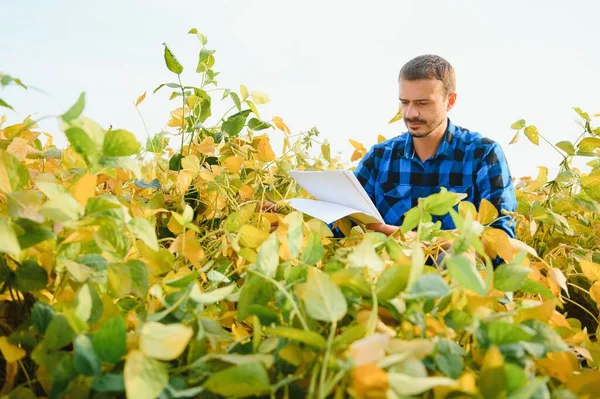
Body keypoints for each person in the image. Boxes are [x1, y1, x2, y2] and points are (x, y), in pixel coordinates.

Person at [352, 54, 517, 241]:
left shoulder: (483, 155)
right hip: (387, 269)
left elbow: (500, 237)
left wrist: (403, 236)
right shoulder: (379, 158)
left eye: (423, 103)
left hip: (457, 269)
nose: (411, 113)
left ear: (451, 101)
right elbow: (344, 226)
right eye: (405, 102)